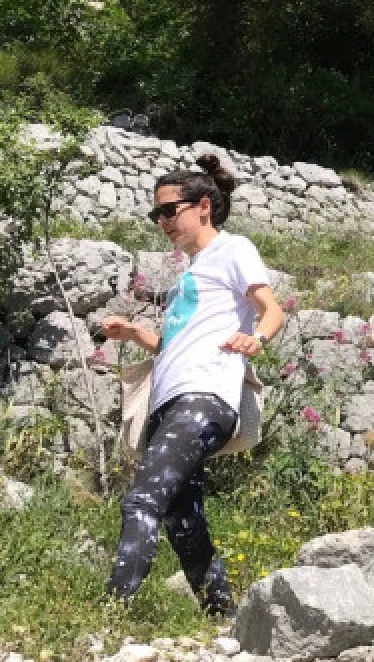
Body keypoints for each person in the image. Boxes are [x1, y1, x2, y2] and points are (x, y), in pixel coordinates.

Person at [99, 154, 284, 615]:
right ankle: (222, 616)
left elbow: (272, 309)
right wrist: (134, 334)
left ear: (202, 206)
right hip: (173, 398)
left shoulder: (233, 249)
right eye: (155, 214)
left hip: (203, 397)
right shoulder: (191, 273)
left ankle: (109, 612)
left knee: (142, 499)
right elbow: (172, 342)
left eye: (169, 210)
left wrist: (256, 338)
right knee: (184, 520)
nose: (162, 221)